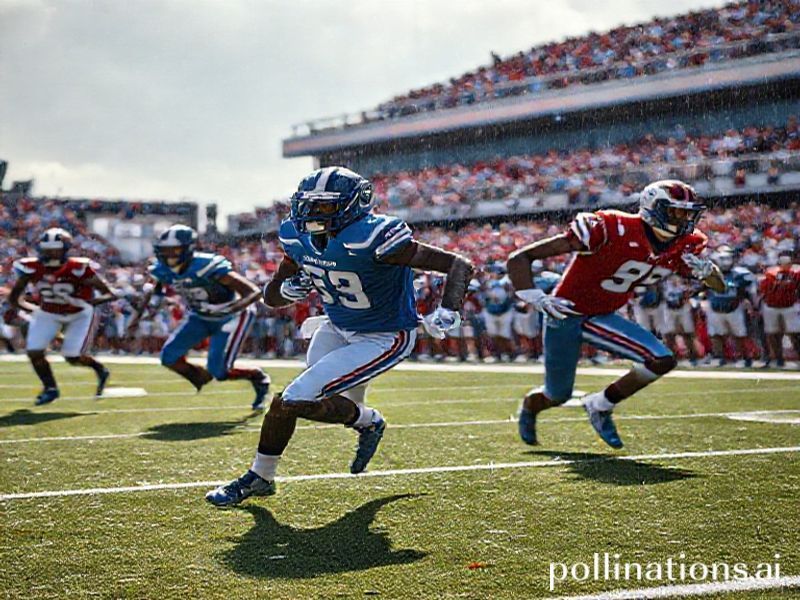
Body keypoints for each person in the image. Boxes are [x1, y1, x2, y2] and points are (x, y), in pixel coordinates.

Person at [206, 166, 472, 506]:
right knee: (306, 402)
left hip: (383, 335)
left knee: (290, 399)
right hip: (336, 326)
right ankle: (368, 421)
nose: (310, 214)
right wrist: (287, 290)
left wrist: (449, 309)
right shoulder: (297, 236)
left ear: (352, 205)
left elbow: (459, 264)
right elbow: (270, 297)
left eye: (323, 206)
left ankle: (259, 476)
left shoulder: (375, 236)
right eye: (307, 204)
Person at [507, 180, 724, 448]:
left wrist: (709, 274)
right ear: (652, 208)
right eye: (676, 211)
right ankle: (530, 406)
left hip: (603, 315)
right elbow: (520, 257)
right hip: (565, 314)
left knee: (661, 359)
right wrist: (532, 294)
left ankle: (599, 404)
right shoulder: (612, 227)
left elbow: (719, 286)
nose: (684, 219)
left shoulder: (686, 244)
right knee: (557, 395)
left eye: (688, 213)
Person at [127, 225, 271, 409]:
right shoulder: (163, 269)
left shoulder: (207, 266)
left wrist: (228, 309)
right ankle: (202, 377)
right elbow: (153, 290)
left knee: (219, 370)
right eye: (166, 250)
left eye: (175, 250)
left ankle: (257, 376)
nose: (170, 255)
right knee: (169, 356)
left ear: (188, 248)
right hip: (201, 316)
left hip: (232, 316)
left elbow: (253, 292)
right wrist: (136, 319)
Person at [7, 228, 116, 405]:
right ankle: (50, 388)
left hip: (78, 314)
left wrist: (89, 303)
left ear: (65, 249)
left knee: (72, 357)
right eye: (46, 248)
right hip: (48, 312)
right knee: (34, 351)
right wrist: (33, 310)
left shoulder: (78, 268)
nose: (50, 253)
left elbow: (108, 294)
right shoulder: (32, 267)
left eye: (55, 249)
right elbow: (14, 298)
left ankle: (100, 369)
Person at [704, 245, 756, 367]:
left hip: (734, 307)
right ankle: (719, 357)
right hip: (715, 308)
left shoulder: (741, 274)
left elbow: (749, 291)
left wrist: (749, 302)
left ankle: (744, 357)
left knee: (739, 335)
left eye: (727, 259)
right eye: (722, 259)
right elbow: (702, 289)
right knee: (716, 334)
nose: (725, 262)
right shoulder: (710, 273)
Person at [758, 248, 800, 368]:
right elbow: (764, 290)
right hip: (772, 306)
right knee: (772, 334)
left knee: (794, 333)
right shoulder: (770, 273)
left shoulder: (796, 272)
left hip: (790, 306)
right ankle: (777, 358)